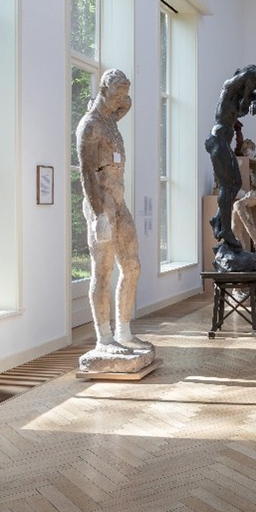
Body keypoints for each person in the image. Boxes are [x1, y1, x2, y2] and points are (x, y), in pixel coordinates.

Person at [76, 69, 150, 354]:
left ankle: (124, 332)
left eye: (125, 92)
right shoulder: (90, 125)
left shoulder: (110, 120)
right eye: (118, 92)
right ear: (103, 89)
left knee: (132, 266)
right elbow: (86, 172)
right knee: (103, 270)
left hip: (119, 202)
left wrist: (122, 96)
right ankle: (104, 338)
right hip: (102, 203)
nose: (122, 98)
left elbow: (126, 105)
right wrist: (98, 215)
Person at [204, 65, 256, 271]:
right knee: (228, 185)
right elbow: (246, 76)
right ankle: (224, 228)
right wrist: (251, 81)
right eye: (253, 84)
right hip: (217, 141)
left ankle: (218, 219)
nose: (254, 88)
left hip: (224, 143)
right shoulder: (229, 89)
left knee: (235, 184)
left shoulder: (244, 96)